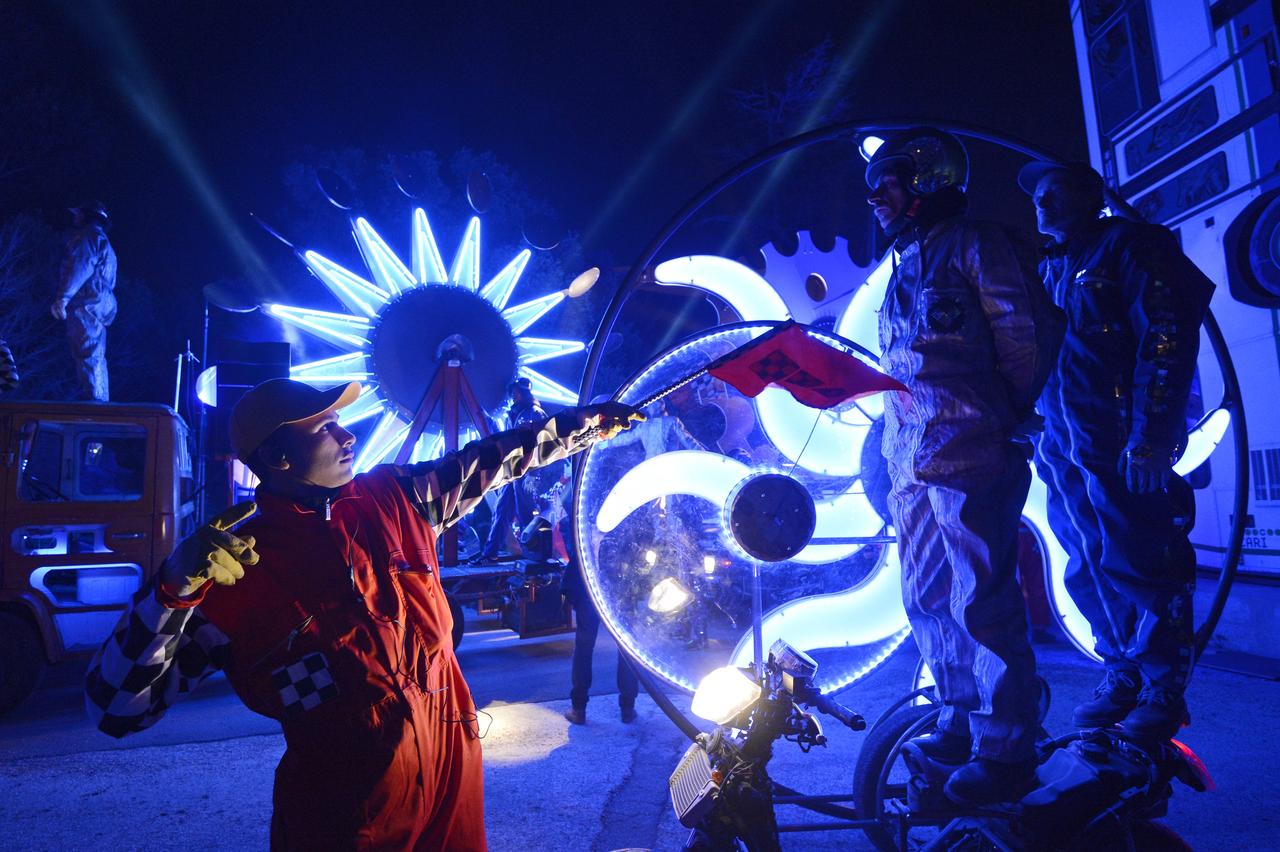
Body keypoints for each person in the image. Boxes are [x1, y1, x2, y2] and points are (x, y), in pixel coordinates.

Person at [85, 378, 641, 850]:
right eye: (324, 427)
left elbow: (498, 456)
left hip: (451, 794)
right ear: (279, 457)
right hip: (344, 822)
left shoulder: (399, 498)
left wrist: (589, 423)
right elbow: (116, 710)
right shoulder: (233, 570)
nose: (348, 434)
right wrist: (169, 594)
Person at [866, 127, 1062, 805]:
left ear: (926, 181)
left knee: (981, 596)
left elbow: (1025, 336)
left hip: (971, 446)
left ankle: (1006, 742)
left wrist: (1000, 412)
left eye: (886, 184)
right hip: (912, 460)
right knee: (925, 594)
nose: (876, 201)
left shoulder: (977, 245)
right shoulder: (905, 265)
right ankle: (956, 713)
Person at [1019, 161, 1213, 742]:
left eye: (1056, 194)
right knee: (1086, 557)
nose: (1043, 204)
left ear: (1090, 198)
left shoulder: (1130, 246)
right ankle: (1123, 668)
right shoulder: (1050, 267)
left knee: (1143, 558)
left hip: (1120, 440)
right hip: (1062, 444)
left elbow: (1167, 334)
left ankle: (1162, 687)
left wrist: (1153, 434)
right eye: (1039, 197)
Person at [558, 516, 639, 725]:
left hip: (591, 587)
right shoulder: (624, 512)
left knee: (585, 647)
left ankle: (579, 708)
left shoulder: (584, 510)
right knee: (626, 648)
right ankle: (627, 708)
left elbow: (569, 528)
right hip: (619, 586)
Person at [53, 202, 117, 401]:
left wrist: (63, 298)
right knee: (94, 354)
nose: (75, 218)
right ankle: (98, 402)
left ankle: (94, 405)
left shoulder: (87, 237)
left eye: (78, 214)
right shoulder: (103, 241)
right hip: (98, 303)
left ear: (86, 215)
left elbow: (80, 267)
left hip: (86, 302)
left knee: (88, 354)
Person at [478, 377, 547, 561]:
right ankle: (489, 554)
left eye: (516, 391)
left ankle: (533, 554)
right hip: (512, 471)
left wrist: (534, 473)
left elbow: (540, 444)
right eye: (512, 392)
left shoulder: (535, 413)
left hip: (526, 471)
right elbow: (505, 438)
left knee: (526, 512)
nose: (513, 395)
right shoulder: (514, 415)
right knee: (502, 511)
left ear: (524, 392)